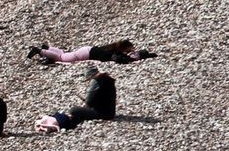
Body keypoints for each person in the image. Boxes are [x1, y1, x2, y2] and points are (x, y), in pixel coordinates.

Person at [34, 67, 116, 133]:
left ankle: (67, 124)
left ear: (91, 76)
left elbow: (89, 102)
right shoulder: (108, 79)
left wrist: (86, 102)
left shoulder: (96, 81)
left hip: (103, 113)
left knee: (74, 110)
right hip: (110, 111)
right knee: (79, 112)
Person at [27, 39, 156, 65]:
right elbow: (118, 59)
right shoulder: (115, 52)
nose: (132, 50)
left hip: (87, 49)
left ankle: (48, 48)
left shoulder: (112, 47)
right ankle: (40, 51)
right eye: (130, 48)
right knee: (62, 57)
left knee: (66, 53)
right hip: (86, 53)